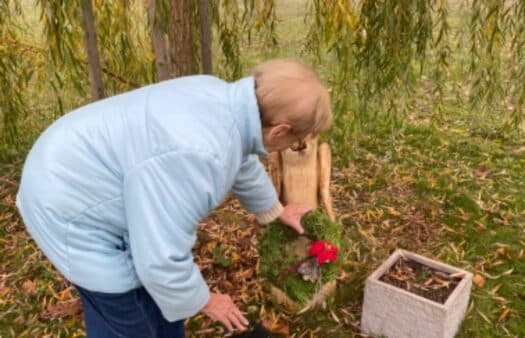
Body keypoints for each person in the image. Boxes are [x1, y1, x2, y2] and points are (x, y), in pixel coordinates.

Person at [16, 58, 332, 337]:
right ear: (279, 131)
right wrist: (205, 300)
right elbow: (159, 256)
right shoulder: (201, 155)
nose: (288, 147)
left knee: (160, 300)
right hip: (66, 200)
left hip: (78, 166)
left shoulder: (224, 100)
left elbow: (241, 157)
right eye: (294, 141)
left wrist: (274, 210)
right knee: (125, 311)